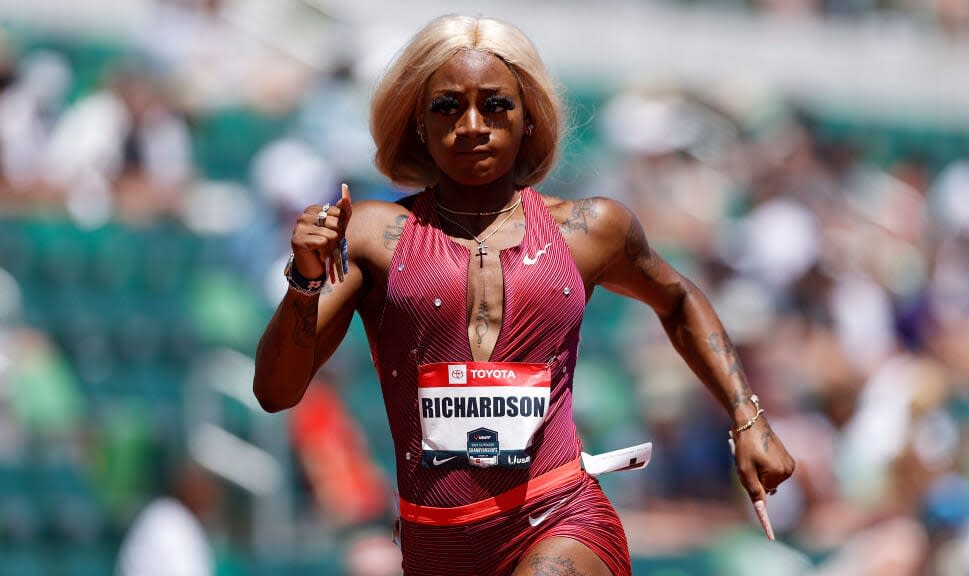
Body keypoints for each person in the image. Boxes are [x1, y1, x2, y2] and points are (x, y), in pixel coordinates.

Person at [253, 14, 795, 576]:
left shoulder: (590, 229)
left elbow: (678, 299)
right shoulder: (371, 235)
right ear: (417, 123)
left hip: (561, 517)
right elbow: (275, 392)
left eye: (495, 105)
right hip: (434, 544)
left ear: (528, 118)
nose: (471, 125)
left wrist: (747, 417)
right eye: (447, 107)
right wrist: (306, 281)